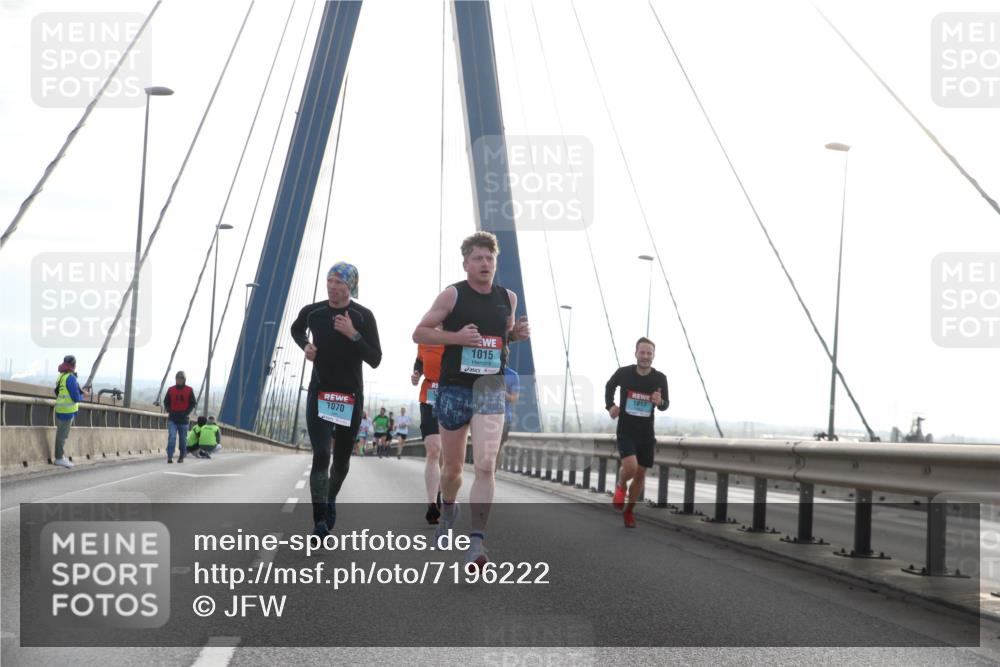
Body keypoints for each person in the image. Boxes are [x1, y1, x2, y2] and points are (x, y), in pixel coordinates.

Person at [413, 231, 530, 568]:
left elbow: (500, 339)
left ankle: (477, 544)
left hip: (490, 391)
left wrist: (514, 336)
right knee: (451, 470)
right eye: (477, 258)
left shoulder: (508, 297)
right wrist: (456, 338)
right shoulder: (452, 295)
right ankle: (448, 508)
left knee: (484, 465)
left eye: (489, 258)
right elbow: (420, 332)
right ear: (466, 263)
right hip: (453, 390)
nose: (484, 264)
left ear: (496, 263)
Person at [291, 262, 381, 537]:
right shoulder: (313, 312)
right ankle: (319, 519)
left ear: (350, 286)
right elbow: (297, 330)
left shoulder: (363, 316)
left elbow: (375, 359)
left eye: (339, 283)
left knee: (340, 462)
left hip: (349, 398)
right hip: (319, 392)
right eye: (329, 281)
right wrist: (305, 345)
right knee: (321, 453)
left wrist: (352, 334)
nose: (332, 287)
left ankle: (330, 499)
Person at [605, 337, 669, 528]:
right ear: (636, 354)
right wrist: (610, 406)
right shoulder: (624, 373)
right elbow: (609, 386)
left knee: (640, 475)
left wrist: (660, 402)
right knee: (631, 468)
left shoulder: (660, 378)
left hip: (646, 434)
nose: (645, 356)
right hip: (626, 430)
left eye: (649, 353)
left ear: (653, 356)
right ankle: (620, 485)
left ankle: (630, 511)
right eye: (642, 352)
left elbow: (666, 405)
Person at [412, 342, 444, 523]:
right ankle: (431, 504)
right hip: (429, 396)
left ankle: (440, 492)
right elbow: (419, 361)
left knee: (445, 454)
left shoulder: (456, 333)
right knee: (433, 449)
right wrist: (417, 373)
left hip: (454, 396)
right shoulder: (425, 338)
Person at [53, 355, 89, 468]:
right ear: (74, 365)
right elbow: (76, 397)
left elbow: (57, 391)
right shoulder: (71, 378)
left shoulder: (61, 376)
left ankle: (60, 457)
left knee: (61, 435)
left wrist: (81, 391)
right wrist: (84, 396)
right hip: (67, 412)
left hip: (59, 409)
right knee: (62, 436)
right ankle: (59, 458)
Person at [163, 371, 197, 463]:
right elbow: (166, 402)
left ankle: (182, 455)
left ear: (184, 380)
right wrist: (170, 410)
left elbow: (193, 403)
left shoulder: (189, 390)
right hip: (173, 418)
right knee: (172, 437)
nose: (179, 380)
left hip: (184, 419)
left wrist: (186, 412)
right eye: (177, 379)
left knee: (183, 439)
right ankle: (170, 456)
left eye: (181, 379)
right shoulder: (171, 390)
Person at [495, 361, 520, 472]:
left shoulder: (513, 375)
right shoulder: (486, 371)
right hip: (484, 416)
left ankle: (492, 475)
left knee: (497, 448)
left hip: (504, 418)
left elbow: (515, 398)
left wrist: (502, 393)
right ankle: (482, 473)